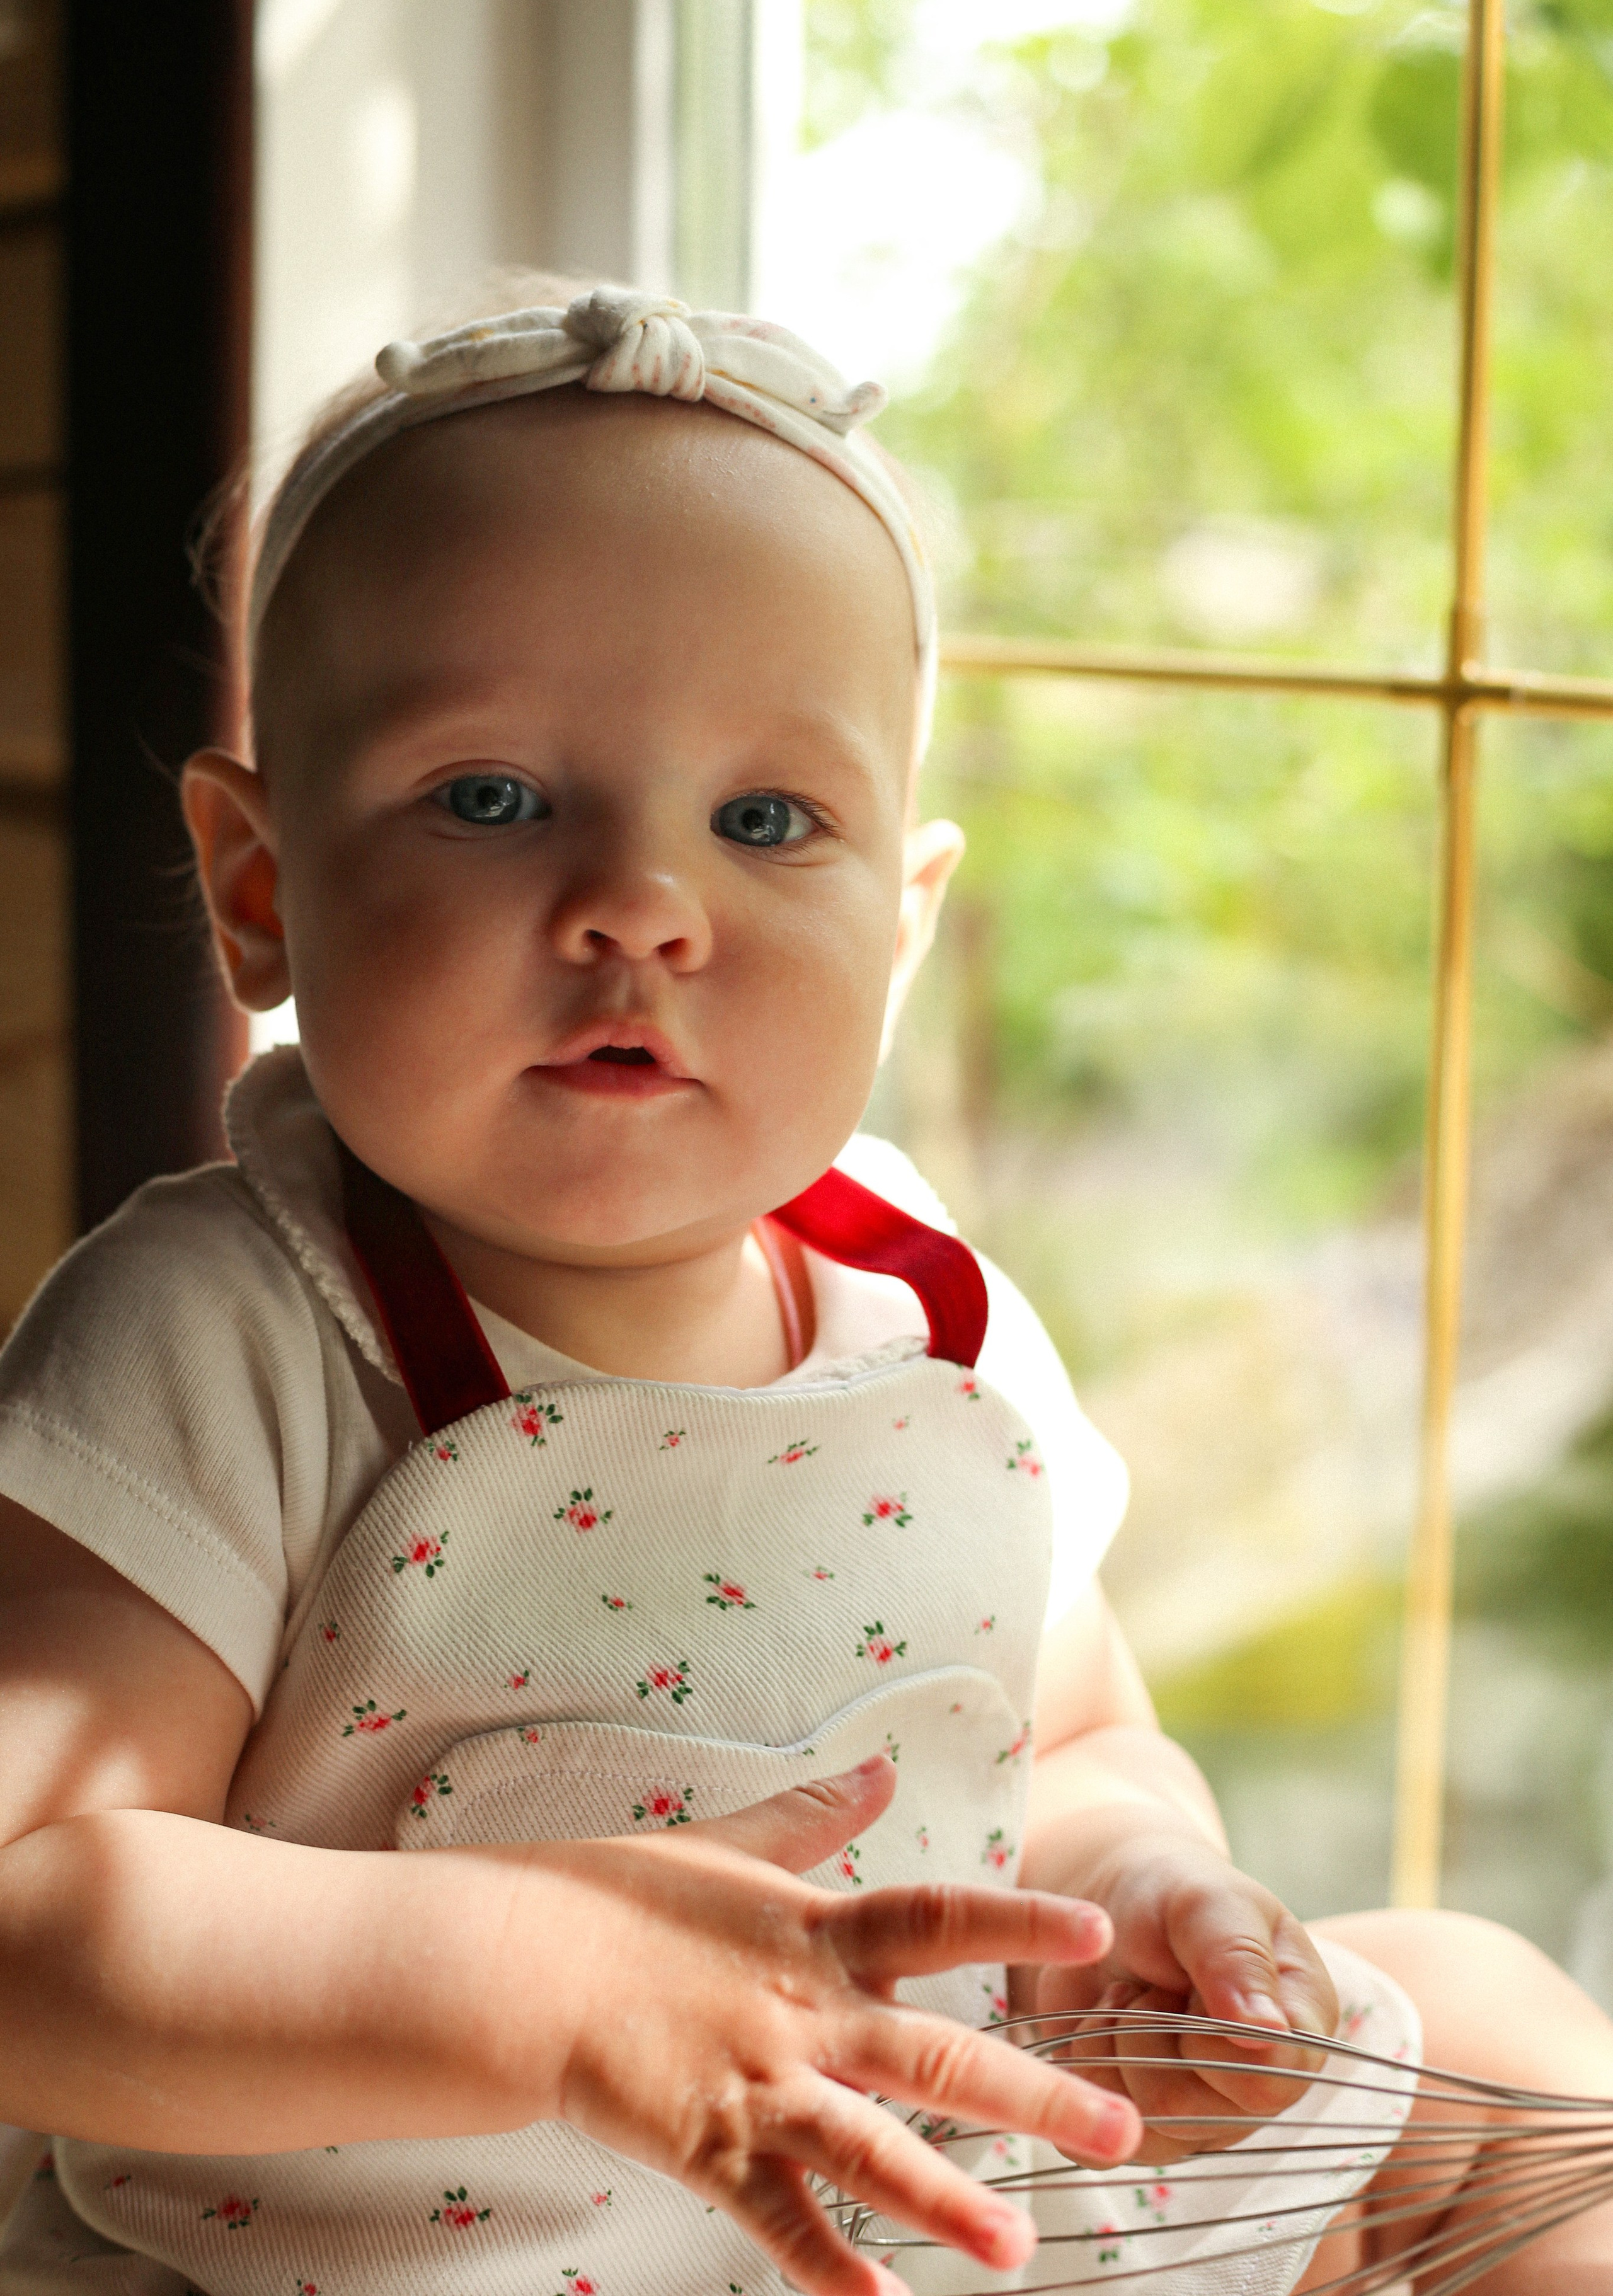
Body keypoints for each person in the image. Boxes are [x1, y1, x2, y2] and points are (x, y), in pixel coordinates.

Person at [0, 280, 1609, 2296]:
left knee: (1478, 2017)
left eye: (767, 820)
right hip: (442, 2260)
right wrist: (533, 1985)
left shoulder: (931, 1315)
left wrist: (1144, 1905)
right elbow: (33, 1919)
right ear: (261, 892)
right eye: (491, 797)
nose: (642, 906)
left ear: (904, 927)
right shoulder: (218, 1338)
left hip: (925, 2206)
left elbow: (1080, 1742)